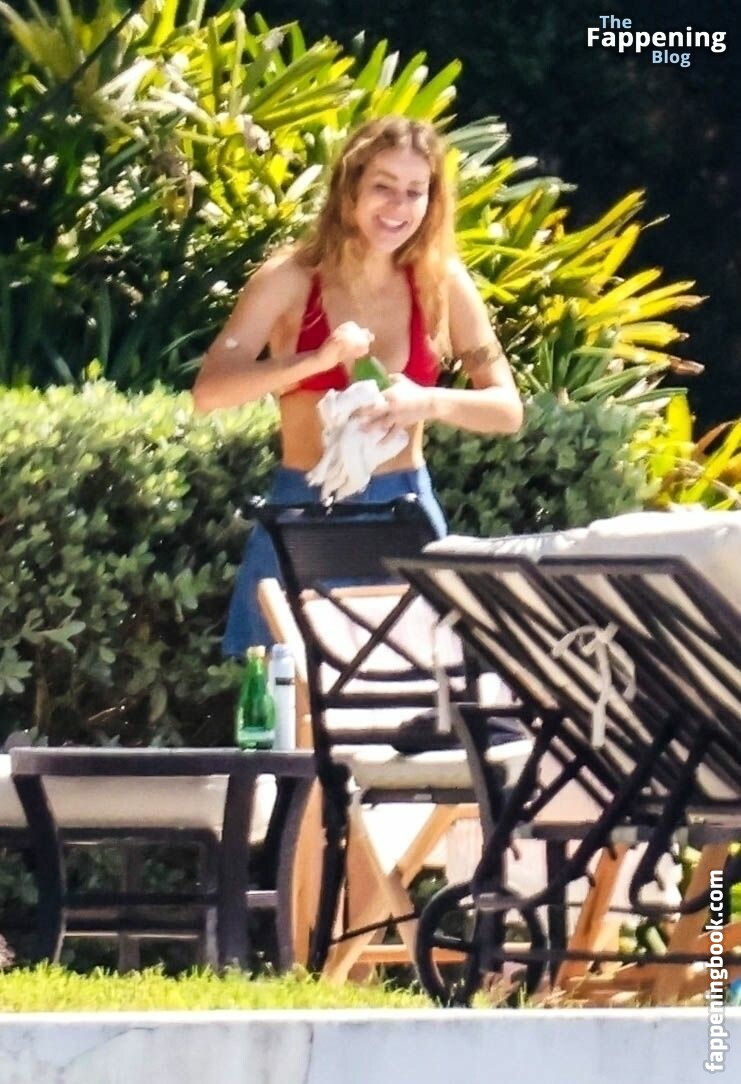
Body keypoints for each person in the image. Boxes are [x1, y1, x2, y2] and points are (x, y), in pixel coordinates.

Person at [192, 115, 523, 655]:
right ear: (350, 189)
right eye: (383, 187)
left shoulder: (441, 282)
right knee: (290, 690)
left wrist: (427, 401)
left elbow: (507, 409)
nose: (398, 207)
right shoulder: (290, 278)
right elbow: (210, 392)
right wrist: (316, 360)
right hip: (307, 509)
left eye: (415, 191)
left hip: (404, 508)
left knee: (413, 686)